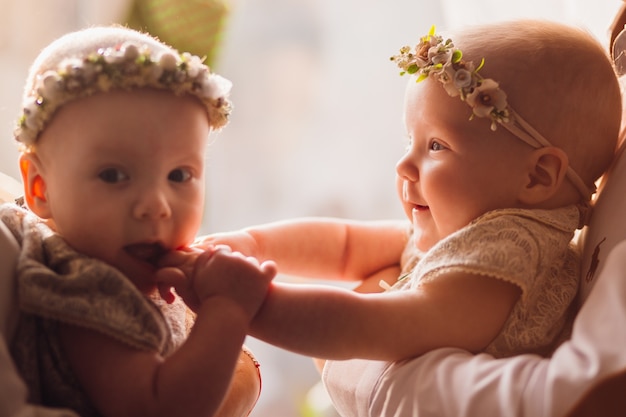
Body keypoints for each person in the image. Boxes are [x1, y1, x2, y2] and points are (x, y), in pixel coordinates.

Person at [159, 19, 623, 416]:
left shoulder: (509, 251)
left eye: (436, 146)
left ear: (538, 176)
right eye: (409, 142)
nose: (404, 167)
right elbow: (345, 244)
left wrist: (244, 303)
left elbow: (368, 326)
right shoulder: (476, 227)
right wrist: (253, 245)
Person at [2, 25, 276, 417]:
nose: (156, 205)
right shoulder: (82, 282)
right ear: (40, 188)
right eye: (114, 175)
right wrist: (228, 309)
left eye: (179, 176)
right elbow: (157, 409)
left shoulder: (124, 268)